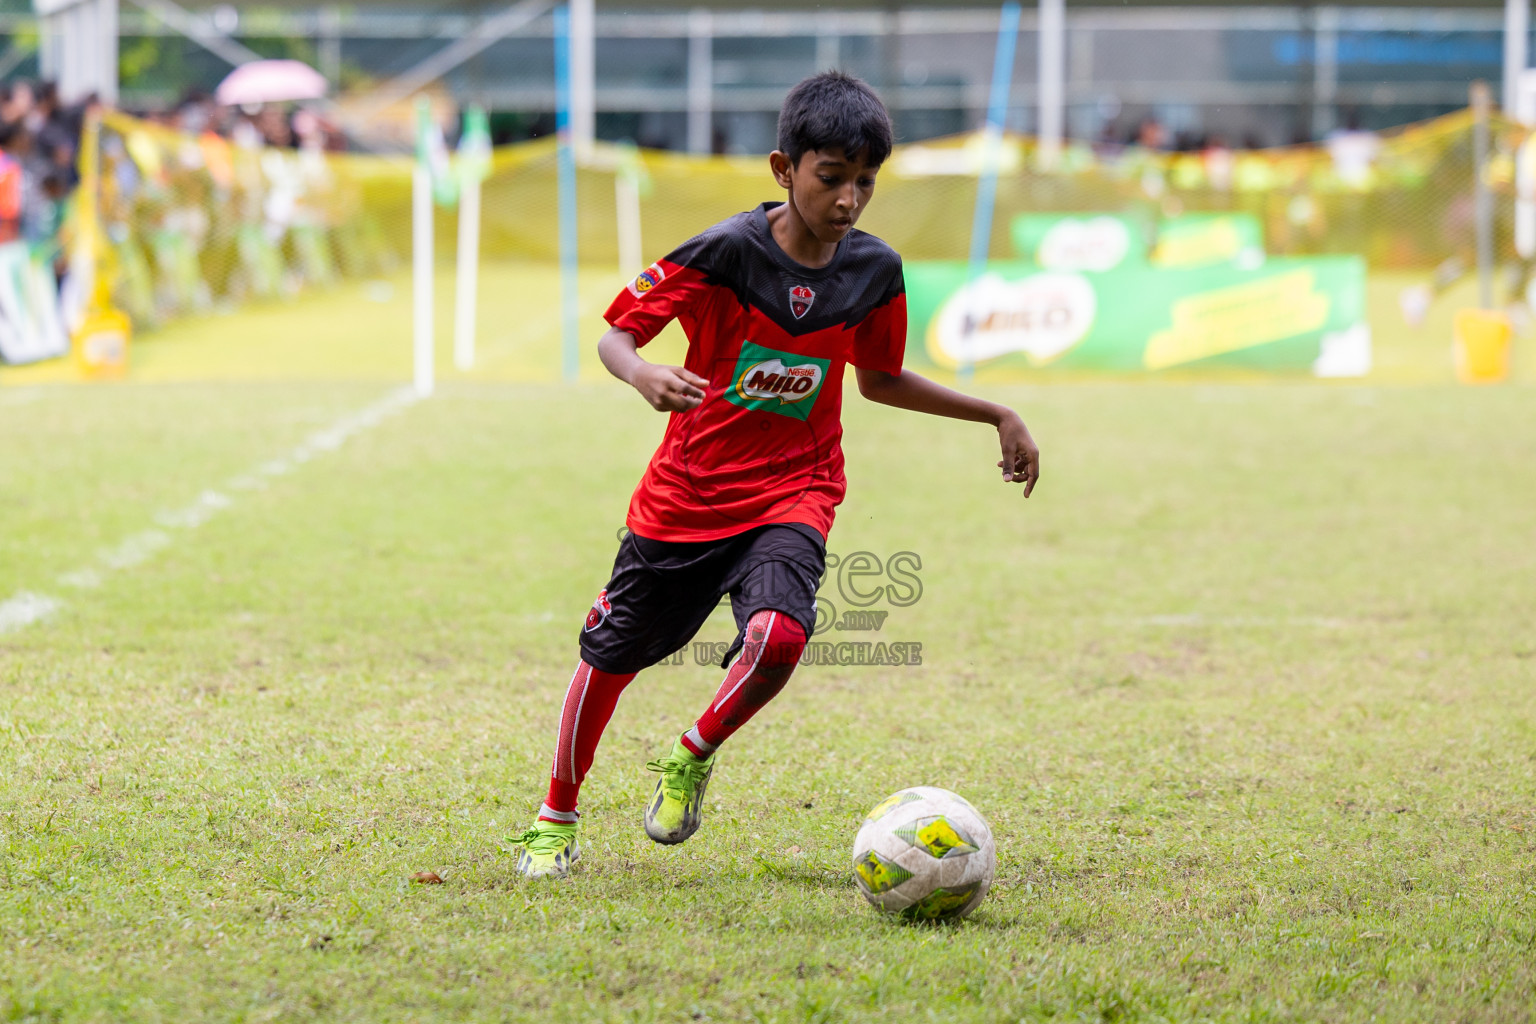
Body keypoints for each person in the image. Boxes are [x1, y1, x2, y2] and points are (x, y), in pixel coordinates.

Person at [511, 71, 1041, 879]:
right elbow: (618, 334)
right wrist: (642, 374)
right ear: (782, 168)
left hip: (797, 489)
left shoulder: (874, 271)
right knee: (609, 658)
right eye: (831, 178)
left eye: (865, 182)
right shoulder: (723, 252)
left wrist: (997, 414)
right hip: (685, 499)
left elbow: (882, 379)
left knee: (779, 638)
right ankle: (556, 815)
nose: (849, 200)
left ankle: (692, 753)